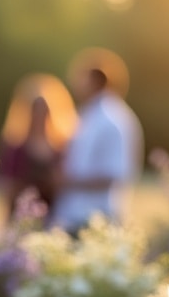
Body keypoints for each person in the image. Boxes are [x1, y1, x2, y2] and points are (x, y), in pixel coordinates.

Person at [49, 47, 143, 233]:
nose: (75, 84)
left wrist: (67, 182)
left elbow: (113, 175)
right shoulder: (90, 115)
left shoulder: (113, 118)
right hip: (75, 215)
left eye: (80, 78)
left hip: (96, 217)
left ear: (93, 80)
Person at [0, 73, 79, 220]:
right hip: (21, 216)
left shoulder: (61, 147)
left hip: (54, 215)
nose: (40, 115)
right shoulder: (16, 148)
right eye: (36, 110)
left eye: (44, 110)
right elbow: (7, 186)